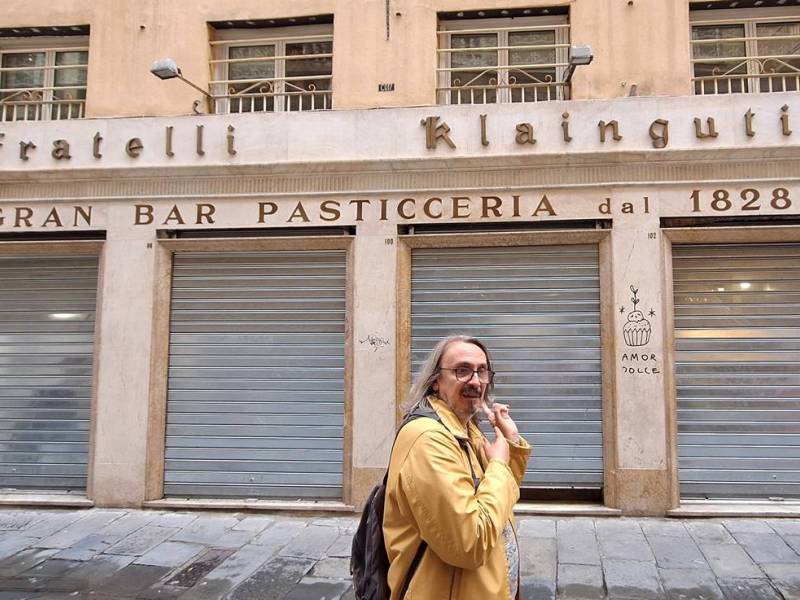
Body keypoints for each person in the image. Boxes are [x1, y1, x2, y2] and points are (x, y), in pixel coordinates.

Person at [383, 335, 531, 600]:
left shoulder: (465, 427)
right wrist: (498, 463)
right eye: (462, 370)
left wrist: (511, 442)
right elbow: (470, 543)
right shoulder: (429, 440)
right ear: (436, 382)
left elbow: (500, 501)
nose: (475, 381)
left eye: (482, 371)